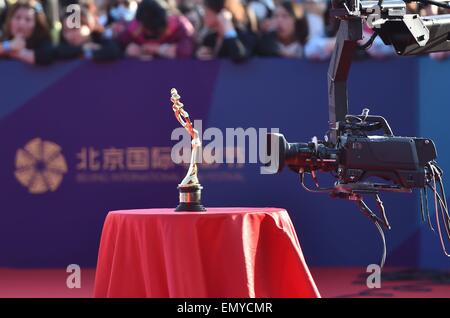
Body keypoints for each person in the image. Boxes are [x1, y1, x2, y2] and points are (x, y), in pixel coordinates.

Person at [118, 0, 195, 59]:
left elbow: (186, 50)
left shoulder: (179, 25)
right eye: (148, 28)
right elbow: (116, 46)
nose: (151, 33)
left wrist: (160, 49)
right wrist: (129, 50)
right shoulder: (135, 27)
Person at [54, 7, 122, 62]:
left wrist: (90, 53)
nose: (70, 35)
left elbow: (113, 51)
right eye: (66, 31)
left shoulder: (102, 41)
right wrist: (83, 48)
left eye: (74, 29)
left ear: (89, 26)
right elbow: (55, 52)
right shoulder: (62, 47)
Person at [0, 0, 53, 65]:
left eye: (28, 19)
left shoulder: (43, 42)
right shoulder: (3, 39)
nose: (21, 23)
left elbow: (47, 56)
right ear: (10, 20)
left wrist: (18, 53)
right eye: (17, 17)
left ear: (36, 24)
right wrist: (9, 45)